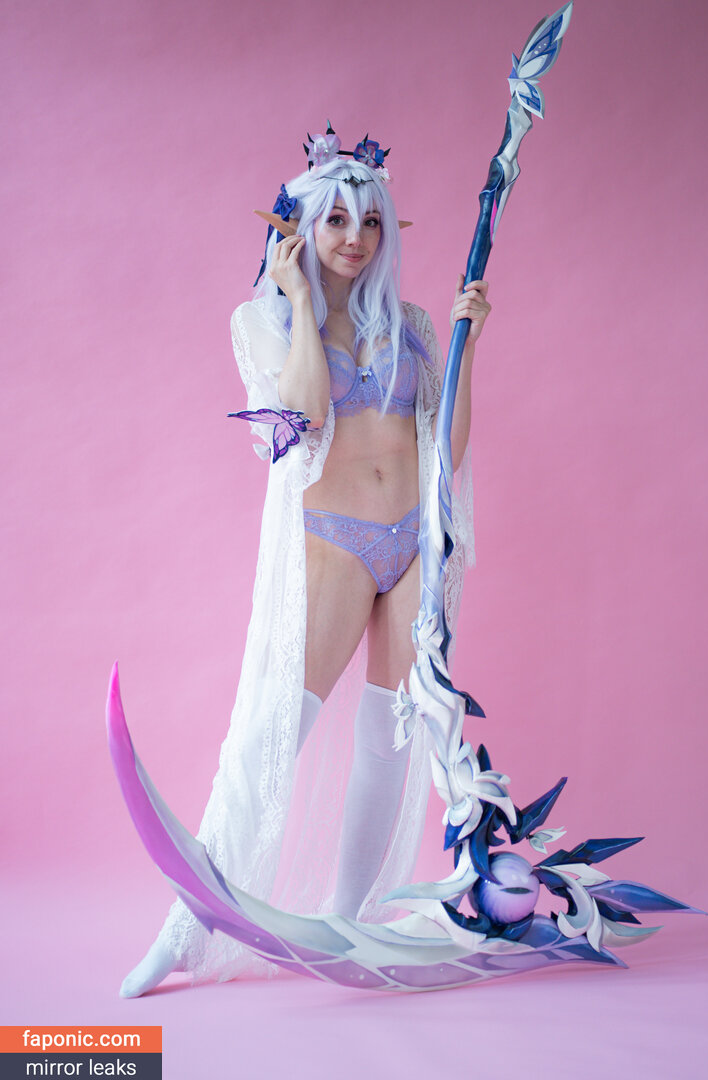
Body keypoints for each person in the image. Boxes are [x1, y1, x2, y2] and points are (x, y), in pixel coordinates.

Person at [119, 132, 491, 998]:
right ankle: (183, 931)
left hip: (413, 543)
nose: (355, 238)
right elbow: (306, 417)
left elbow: (447, 449)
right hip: (335, 544)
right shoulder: (264, 320)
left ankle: (347, 921)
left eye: (371, 222)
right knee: (268, 738)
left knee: (388, 739)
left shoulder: (412, 326)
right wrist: (296, 295)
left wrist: (469, 344)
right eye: (336, 221)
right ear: (300, 225)